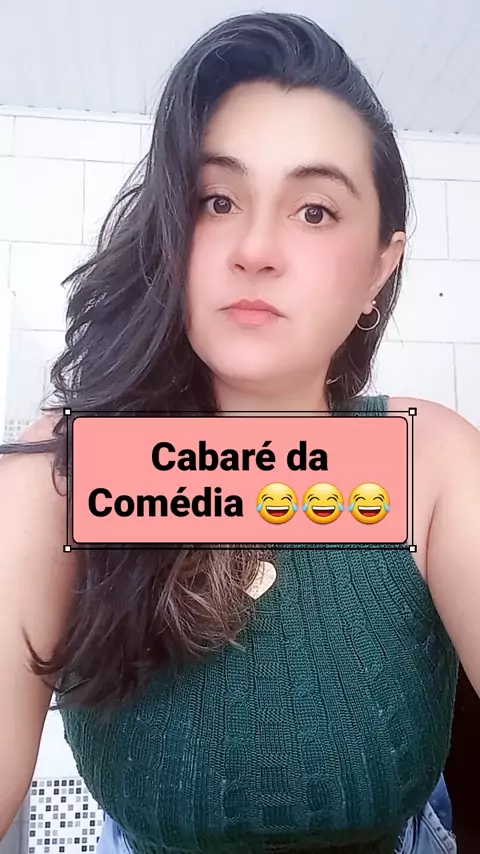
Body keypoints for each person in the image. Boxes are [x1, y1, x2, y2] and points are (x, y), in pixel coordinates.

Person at [0, 11, 479, 854]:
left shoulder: (429, 463)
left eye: (315, 211)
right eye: (217, 200)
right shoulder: (62, 477)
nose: (255, 248)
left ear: (380, 266)